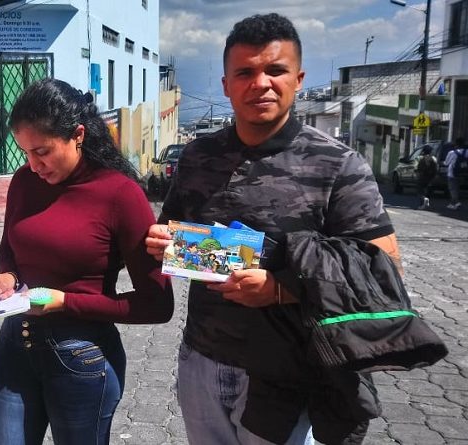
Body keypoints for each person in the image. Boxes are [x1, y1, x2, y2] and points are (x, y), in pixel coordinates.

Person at [145, 13, 399, 445]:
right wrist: (163, 240)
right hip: (202, 359)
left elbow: (384, 268)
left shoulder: (338, 165)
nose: (260, 83)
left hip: (290, 370)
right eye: (244, 72)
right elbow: (173, 228)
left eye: (275, 70)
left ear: (297, 79)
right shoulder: (198, 157)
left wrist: (281, 289)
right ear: (226, 84)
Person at [0, 78, 174, 445]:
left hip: (80, 357)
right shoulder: (24, 181)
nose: (33, 165)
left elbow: (158, 304)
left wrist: (65, 301)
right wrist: (6, 276)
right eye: (25, 153)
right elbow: (10, 246)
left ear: (78, 134)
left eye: (43, 151)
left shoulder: (120, 194)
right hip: (14, 348)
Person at [445, 137, 467, 210]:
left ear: (456, 144)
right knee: (457, 188)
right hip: (463, 173)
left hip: (452, 172)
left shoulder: (452, 152)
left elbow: (446, 163)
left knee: (452, 189)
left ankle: (456, 202)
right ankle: (452, 203)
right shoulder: (467, 152)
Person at [415, 144, 438, 210]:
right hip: (431, 178)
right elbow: (436, 169)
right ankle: (427, 205)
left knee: (420, 192)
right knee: (428, 191)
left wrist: (417, 174)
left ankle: (423, 202)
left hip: (422, 177)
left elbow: (419, 169)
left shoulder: (422, 159)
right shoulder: (434, 159)